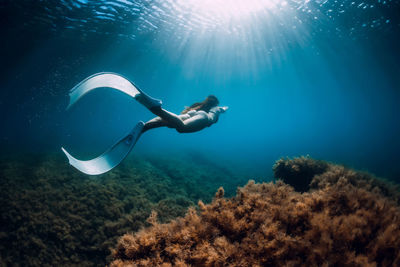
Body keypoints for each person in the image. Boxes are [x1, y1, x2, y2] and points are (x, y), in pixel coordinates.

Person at [141, 95, 228, 134]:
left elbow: (180, 116)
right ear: (215, 104)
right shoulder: (215, 109)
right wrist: (224, 108)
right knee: (182, 128)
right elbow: (220, 110)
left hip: (190, 114)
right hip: (204, 117)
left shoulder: (197, 105)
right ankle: (157, 109)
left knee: (168, 121)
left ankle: (145, 127)